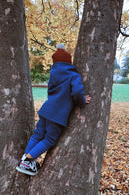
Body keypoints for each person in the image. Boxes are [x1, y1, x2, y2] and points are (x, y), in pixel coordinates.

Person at [16, 43, 91, 176]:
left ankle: (24, 159)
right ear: (69, 62)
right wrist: (82, 101)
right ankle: (28, 160)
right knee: (50, 139)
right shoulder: (73, 75)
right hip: (57, 114)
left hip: (46, 110)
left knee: (38, 134)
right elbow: (77, 92)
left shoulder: (53, 74)